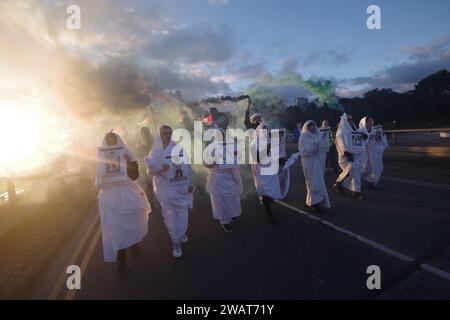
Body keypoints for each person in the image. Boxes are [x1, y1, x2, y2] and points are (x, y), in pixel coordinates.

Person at [95, 131, 151, 276]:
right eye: (109, 141)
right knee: (117, 231)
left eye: (114, 140)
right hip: (111, 200)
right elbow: (99, 184)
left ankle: (134, 243)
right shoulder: (102, 159)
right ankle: (122, 263)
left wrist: (128, 162)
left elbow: (135, 176)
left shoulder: (127, 154)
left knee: (133, 222)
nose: (112, 143)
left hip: (128, 195)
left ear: (119, 140)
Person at [146, 125, 195, 258]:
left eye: (169, 133)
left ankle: (181, 232)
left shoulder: (179, 149)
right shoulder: (155, 152)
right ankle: (175, 242)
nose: (167, 135)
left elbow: (187, 166)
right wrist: (161, 169)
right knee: (170, 215)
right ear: (159, 135)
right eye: (164, 133)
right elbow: (150, 171)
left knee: (182, 212)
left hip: (181, 187)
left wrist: (191, 183)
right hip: (165, 189)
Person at [250, 123, 299, 225]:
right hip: (262, 173)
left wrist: (285, 161)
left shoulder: (271, 141)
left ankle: (265, 202)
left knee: (273, 192)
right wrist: (267, 149)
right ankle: (269, 214)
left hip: (271, 172)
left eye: (266, 130)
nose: (265, 132)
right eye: (263, 130)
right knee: (267, 195)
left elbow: (276, 156)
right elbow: (257, 158)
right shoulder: (254, 143)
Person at [204, 130, 243, 233]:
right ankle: (224, 221)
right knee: (221, 201)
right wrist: (213, 160)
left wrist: (237, 155)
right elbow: (206, 164)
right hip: (218, 179)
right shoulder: (211, 148)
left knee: (233, 198)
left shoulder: (232, 145)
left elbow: (239, 158)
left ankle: (232, 214)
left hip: (231, 177)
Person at [333, 113, 368, 200]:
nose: (351, 121)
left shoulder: (354, 130)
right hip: (346, 157)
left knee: (355, 173)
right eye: (349, 120)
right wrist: (346, 153)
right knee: (350, 171)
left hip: (355, 156)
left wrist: (364, 137)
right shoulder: (340, 132)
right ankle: (339, 183)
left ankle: (356, 191)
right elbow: (340, 144)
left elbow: (358, 142)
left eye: (352, 119)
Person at [298, 121, 331, 212]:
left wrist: (324, 139)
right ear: (307, 127)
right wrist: (316, 143)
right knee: (312, 182)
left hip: (318, 161)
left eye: (313, 126)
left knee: (319, 181)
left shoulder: (317, 135)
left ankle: (317, 201)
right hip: (309, 162)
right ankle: (312, 202)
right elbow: (305, 151)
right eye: (310, 126)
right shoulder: (303, 136)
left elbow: (324, 148)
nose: (312, 128)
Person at [359, 116, 388, 190]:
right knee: (364, 168)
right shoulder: (360, 131)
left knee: (377, 167)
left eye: (372, 121)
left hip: (375, 152)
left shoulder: (375, 130)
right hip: (365, 153)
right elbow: (358, 142)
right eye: (370, 121)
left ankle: (370, 182)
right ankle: (353, 179)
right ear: (365, 122)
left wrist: (382, 134)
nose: (372, 123)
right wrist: (368, 137)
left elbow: (379, 139)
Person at [136, 127, 154, 203]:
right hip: (143, 164)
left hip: (151, 164)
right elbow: (138, 154)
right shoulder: (139, 142)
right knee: (147, 182)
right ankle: (150, 200)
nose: (143, 134)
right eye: (142, 133)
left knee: (150, 182)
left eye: (144, 132)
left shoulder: (152, 141)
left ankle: (151, 197)